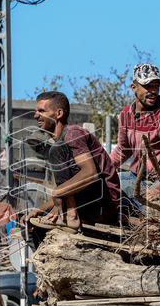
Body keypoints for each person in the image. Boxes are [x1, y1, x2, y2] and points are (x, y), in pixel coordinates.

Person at [29, 90, 121, 228]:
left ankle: (71, 216)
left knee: (56, 150)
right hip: (92, 203)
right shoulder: (62, 142)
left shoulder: (72, 133)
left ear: (59, 114)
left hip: (106, 204)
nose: (36, 115)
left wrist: (57, 193)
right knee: (35, 223)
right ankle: (69, 215)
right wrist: (39, 209)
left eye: (41, 111)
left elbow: (90, 173)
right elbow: (67, 191)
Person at [110, 63, 160, 199]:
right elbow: (123, 150)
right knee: (105, 187)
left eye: (156, 86)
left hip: (159, 180)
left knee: (128, 199)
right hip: (135, 176)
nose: (153, 91)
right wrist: (102, 168)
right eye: (148, 86)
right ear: (134, 87)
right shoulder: (126, 114)